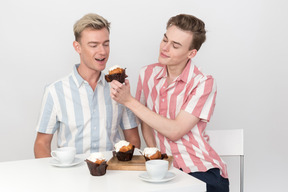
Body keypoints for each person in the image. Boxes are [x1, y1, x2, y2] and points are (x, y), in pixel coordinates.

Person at [110, 14, 229, 191]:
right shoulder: (147, 74)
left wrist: (128, 101)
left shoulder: (203, 82)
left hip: (199, 168)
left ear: (191, 53)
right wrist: (154, 156)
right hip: (162, 168)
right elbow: (146, 121)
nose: (165, 48)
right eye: (165, 39)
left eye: (175, 45)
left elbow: (175, 131)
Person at [34, 13, 140, 158]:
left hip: (113, 173)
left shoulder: (119, 89)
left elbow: (133, 138)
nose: (102, 51)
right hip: (71, 176)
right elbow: (42, 144)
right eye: (93, 45)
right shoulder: (55, 91)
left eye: (106, 44)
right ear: (77, 47)